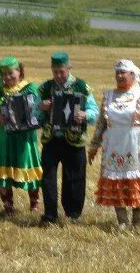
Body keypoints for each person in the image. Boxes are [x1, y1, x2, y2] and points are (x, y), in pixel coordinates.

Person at [88, 59, 140, 230]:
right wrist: (94, 146)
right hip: (114, 145)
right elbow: (101, 122)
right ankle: (122, 221)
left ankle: (136, 221)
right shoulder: (109, 96)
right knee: (116, 182)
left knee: (136, 181)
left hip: (135, 144)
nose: (119, 76)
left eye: (123, 73)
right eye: (117, 73)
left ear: (133, 75)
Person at [36, 51, 99, 225]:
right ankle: (50, 214)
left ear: (69, 69)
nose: (58, 76)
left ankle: (73, 213)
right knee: (48, 177)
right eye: (55, 72)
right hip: (51, 139)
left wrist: (84, 115)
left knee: (75, 177)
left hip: (74, 139)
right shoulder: (45, 88)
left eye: (61, 72)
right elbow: (35, 115)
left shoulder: (82, 87)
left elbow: (95, 111)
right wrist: (42, 107)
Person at [0, 57, 41, 216]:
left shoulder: (30, 89)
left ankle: (34, 204)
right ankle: (8, 205)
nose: (7, 77)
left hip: (25, 138)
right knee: (3, 170)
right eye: (4, 74)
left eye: (10, 73)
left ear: (20, 72)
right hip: (4, 137)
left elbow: (36, 111)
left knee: (28, 167)